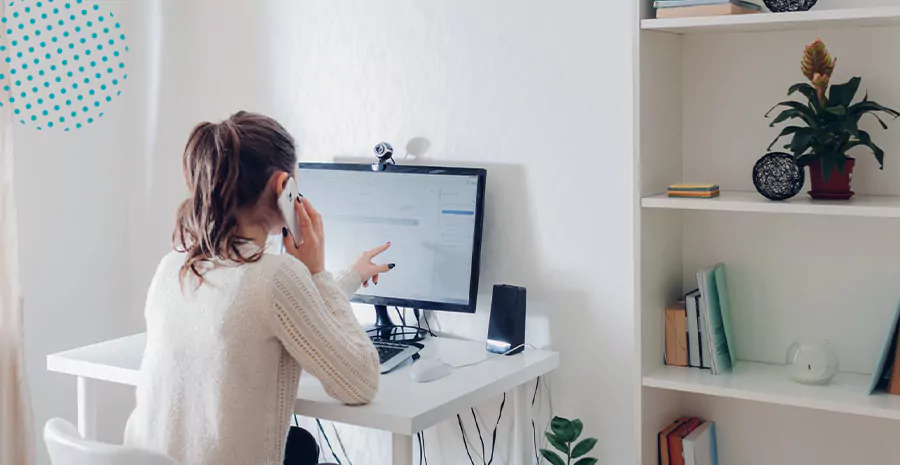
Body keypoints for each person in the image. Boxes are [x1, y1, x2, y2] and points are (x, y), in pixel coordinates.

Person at [124, 111, 392, 465]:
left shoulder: (173, 267)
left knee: (300, 446)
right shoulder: (277, 277)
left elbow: (277, 311)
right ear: (284, 187)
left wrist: (350, 276)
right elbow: (362, 382)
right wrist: (315, 271)